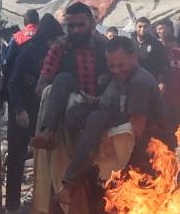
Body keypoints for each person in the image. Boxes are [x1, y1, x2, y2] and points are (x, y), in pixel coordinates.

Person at [60, 36, 170, 196]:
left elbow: (136, 130)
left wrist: (105, 139)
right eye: (112, 66)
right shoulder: (120, 78)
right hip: (133, 146)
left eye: (121, 65)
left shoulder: (140, 82)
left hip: (152, 152)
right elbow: (108, 105)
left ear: (133, 58)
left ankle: (73, 182)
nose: (116, 70)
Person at [6, 14, 64, 214]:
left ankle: (45, 206)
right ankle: (12, 207)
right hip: (22, 111)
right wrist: (19, 110)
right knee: (16, 159)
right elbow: (12, 82)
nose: (56, 43)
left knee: (48, 159)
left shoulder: (57, 54)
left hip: (43, 112)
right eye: (54, 39)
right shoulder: (28, 51)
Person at [33, 1, 109, 149]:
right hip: (69, 113)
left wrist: (101, 99)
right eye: (71, 26)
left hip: (102, 108)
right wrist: (70, 97)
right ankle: (48, 132)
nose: (76, 30)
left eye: (81, 25)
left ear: (91, 23)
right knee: (63, 78)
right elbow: (40, 87)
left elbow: (120, 78)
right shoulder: (59, 48)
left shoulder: (104, 46)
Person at [155, 18, 180, 128]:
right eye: (159, 29)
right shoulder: (155, 53)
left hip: (179, 97)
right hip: (162, 99)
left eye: (163, 29)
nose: (161, 32)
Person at [132, 17, 168, 87]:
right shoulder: (129, 43)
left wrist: (162, 82)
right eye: (140, 26)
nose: (142, 29)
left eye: (145, 27)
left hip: (150, 82)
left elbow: (163, 64)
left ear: (149, 28)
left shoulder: (156, 44)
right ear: (135, 28)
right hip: (132, 83)